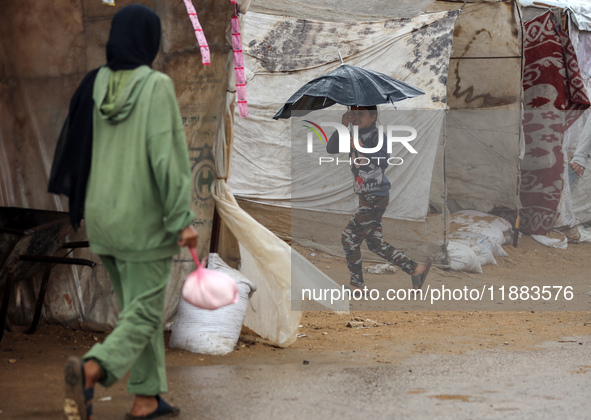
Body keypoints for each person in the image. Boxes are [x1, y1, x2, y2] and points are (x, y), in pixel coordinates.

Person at [51, 5, 197, 420]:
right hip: (144, 223)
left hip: (103, 220)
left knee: (137, 310)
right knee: (147, 312)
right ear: (149, 42)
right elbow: (167, 160)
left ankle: (146, 398)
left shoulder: (95, 84)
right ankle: (91, 369)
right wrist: (181, 219)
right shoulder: (155, 86)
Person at [326, 106, 431, 291]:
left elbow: (383, 160)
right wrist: (342, 127)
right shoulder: (352, 133)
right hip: (365, 195)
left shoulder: (378, 135)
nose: (356, 117)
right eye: (354, 113)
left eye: (361, 114)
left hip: (375, 196)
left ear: (373, 117)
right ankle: (415, 269)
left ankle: (356, 285)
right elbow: (331, 149)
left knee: (349, 238)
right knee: (375, 243)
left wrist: (360, 146)